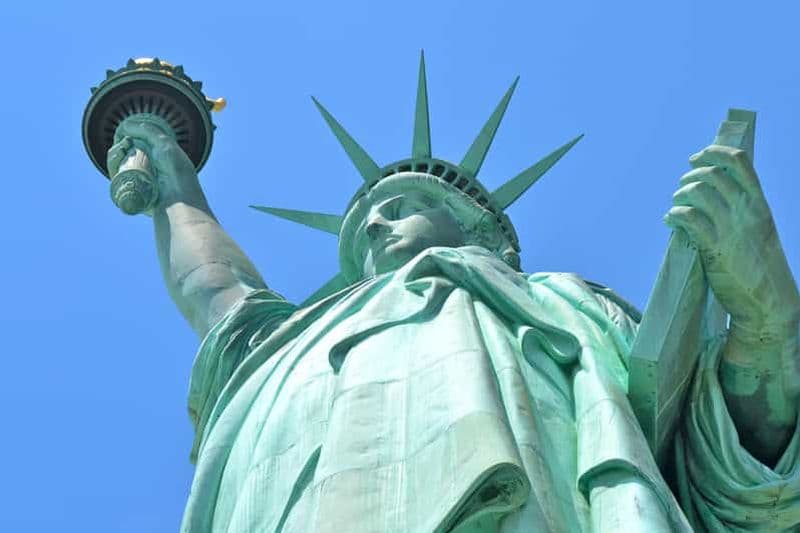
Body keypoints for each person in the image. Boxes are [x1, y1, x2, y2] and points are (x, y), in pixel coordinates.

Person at [106, 59, 800, 532]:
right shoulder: (301, 343)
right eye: (362, 226)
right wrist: (169, 173)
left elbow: (719, 460)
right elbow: (222, 296)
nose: (376, 221)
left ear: (488, 235)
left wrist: (768, 320)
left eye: (401, 204)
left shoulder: (566, 306)